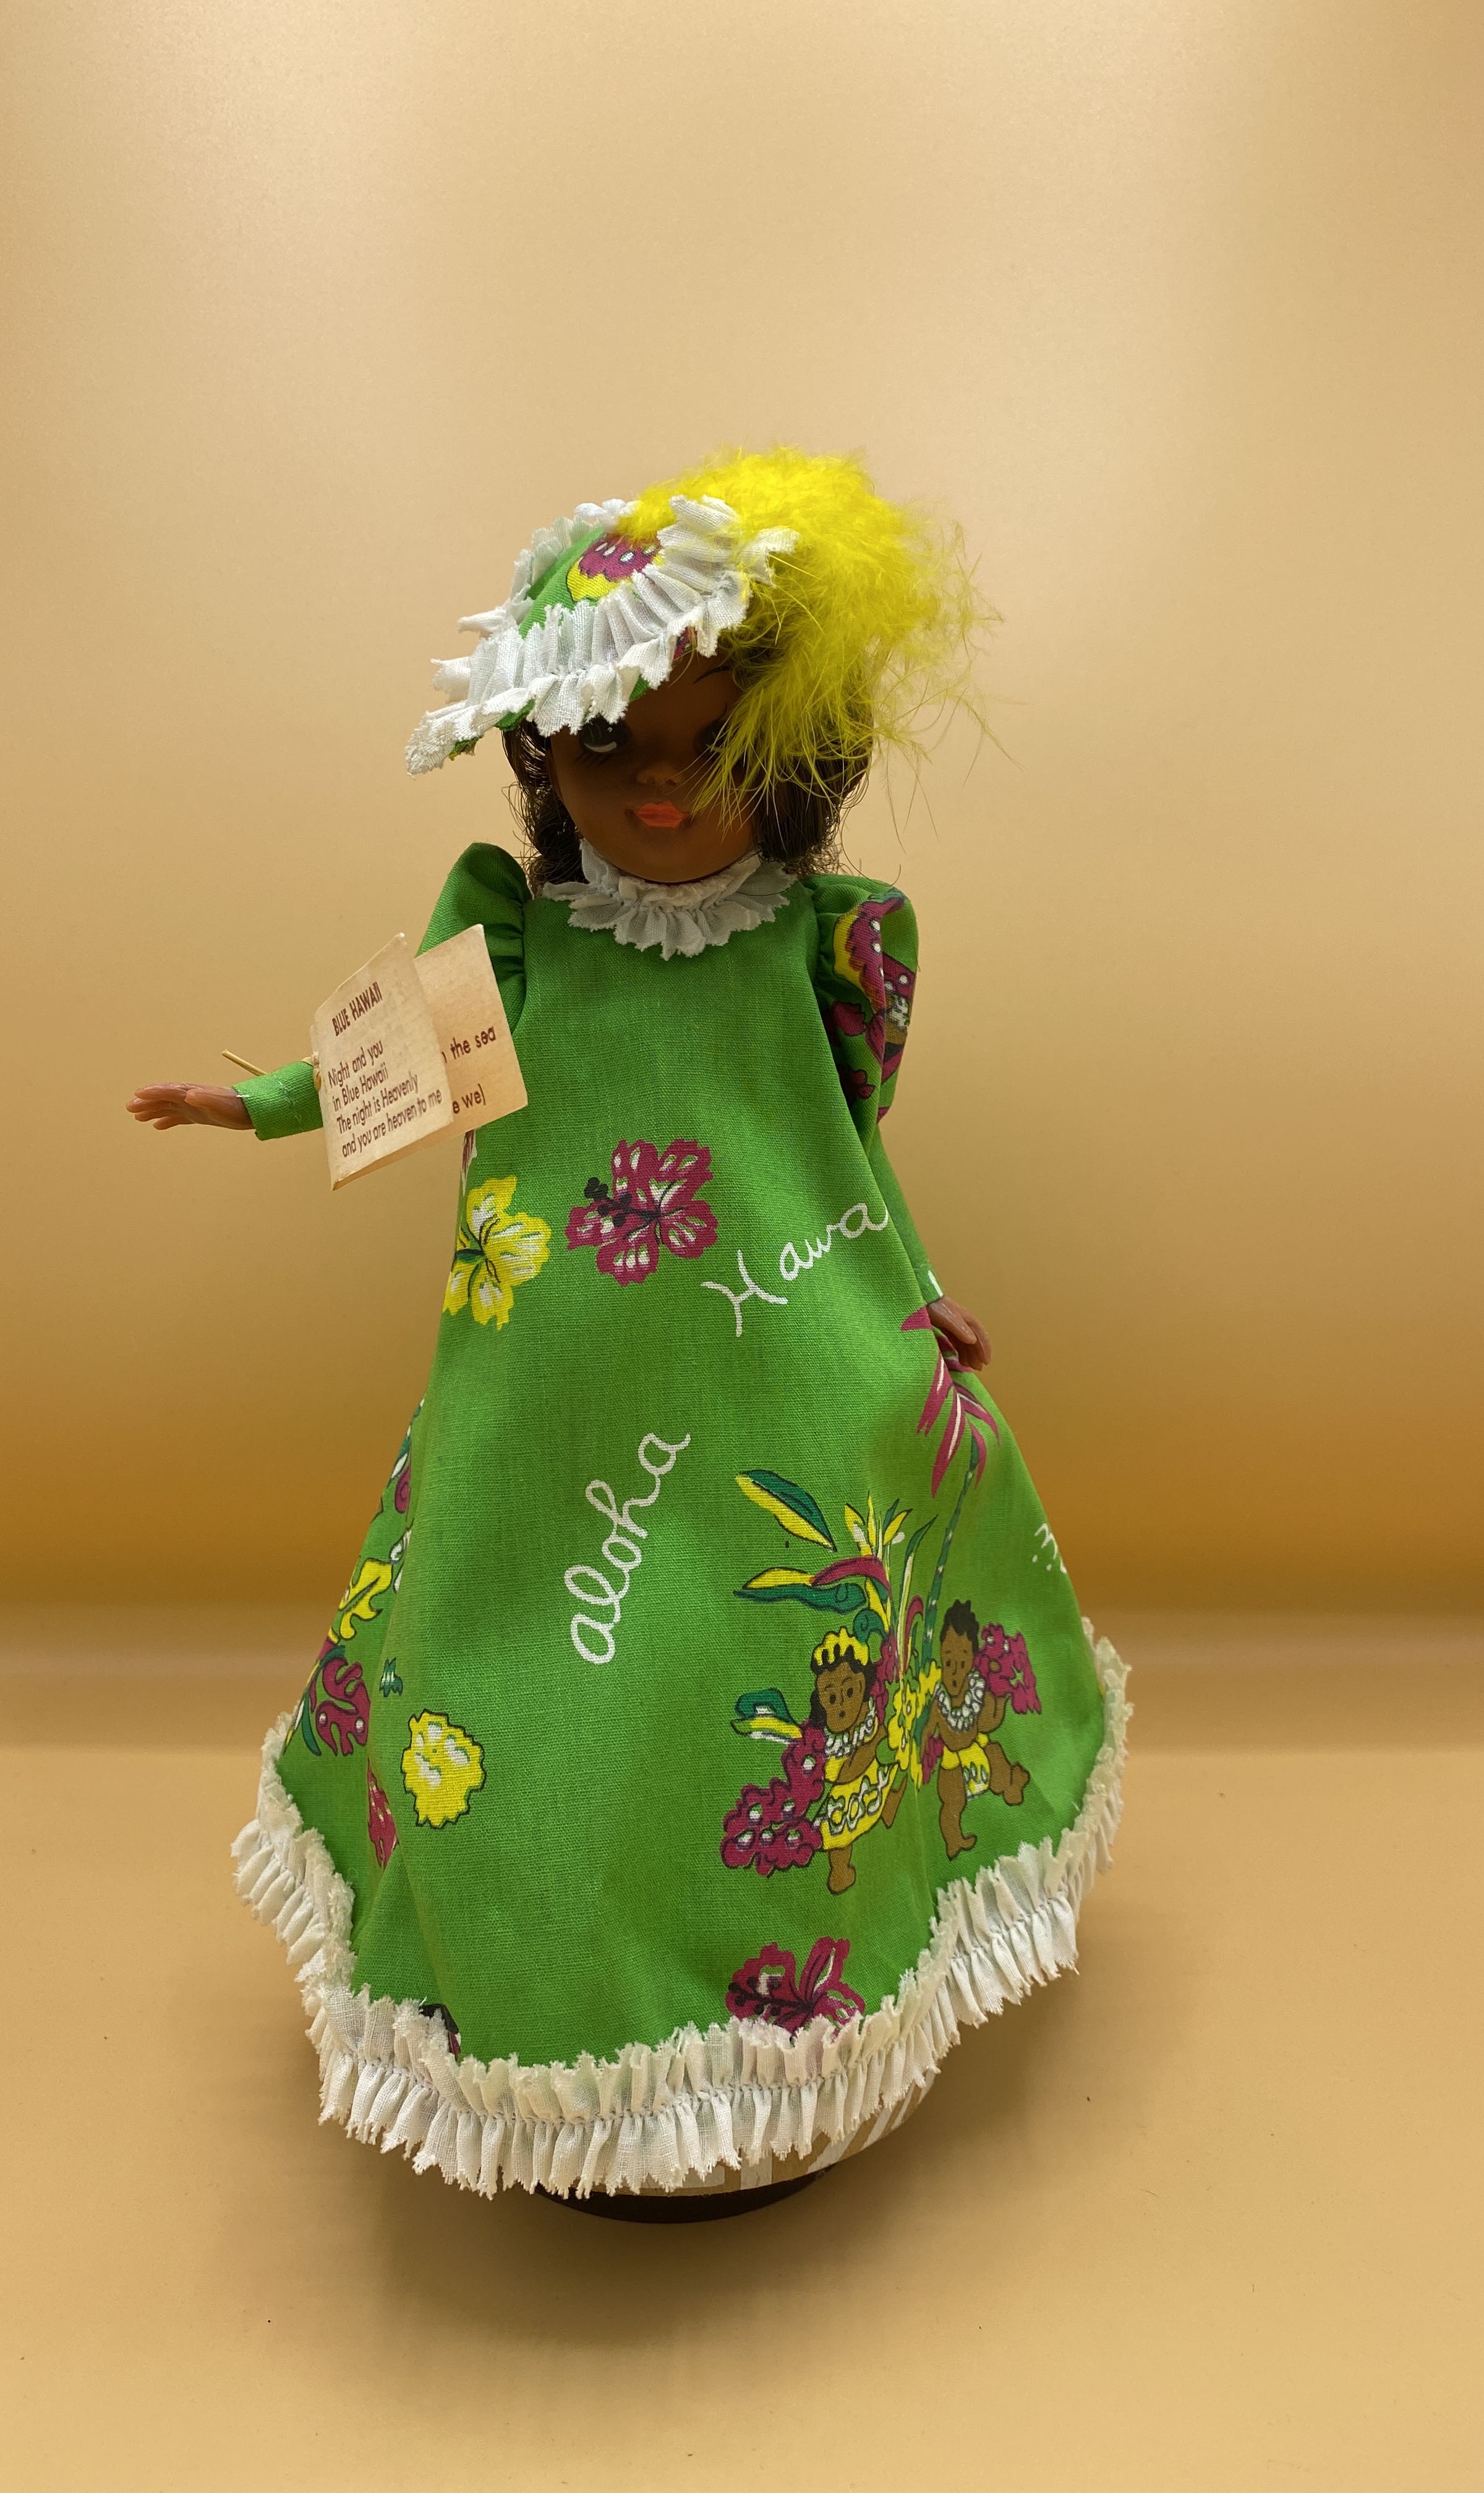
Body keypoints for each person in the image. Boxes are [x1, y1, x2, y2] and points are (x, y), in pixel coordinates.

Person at [127, 449, 1127, 2213]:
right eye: (610, 751)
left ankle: (777, 2034)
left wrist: (910, 1289)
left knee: (770, 1674)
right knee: (532, 1676)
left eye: (714, 753)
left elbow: (838, 1153)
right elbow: (394, 1066)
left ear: (794, 766)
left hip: (798, 1368)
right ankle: (554, 2010)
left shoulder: (826, 944)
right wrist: (259, 1105)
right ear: (543, 758)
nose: (662, 792)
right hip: (552, 1391)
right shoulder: (522, 944)